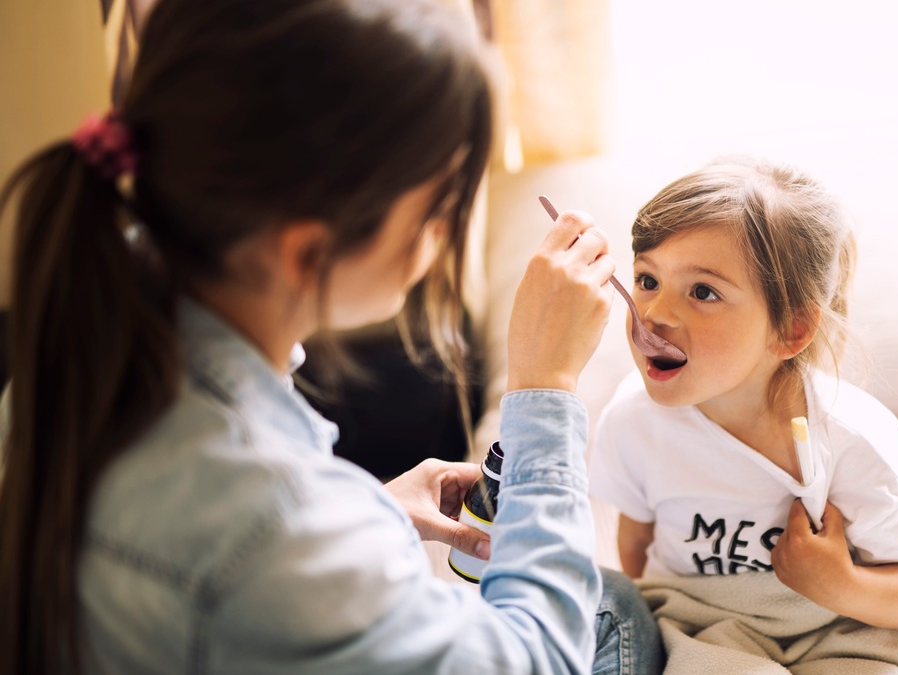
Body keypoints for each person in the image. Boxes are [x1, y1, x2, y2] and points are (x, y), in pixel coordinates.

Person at [0, 0, 663, 673]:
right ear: (307, 252)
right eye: (436, 211)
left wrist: (362, 509)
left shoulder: (93, 322)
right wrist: (545, 387)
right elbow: (544, 659)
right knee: (612, 616)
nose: (442, 238)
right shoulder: (271, 522)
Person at [590, 157, 898, 631]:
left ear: (791, 329)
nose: (654, 314)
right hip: (694, 620)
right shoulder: (631, 421)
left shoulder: (854, 443)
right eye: (648, 280)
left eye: (702, 292)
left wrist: (841, 585)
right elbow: (637, 548)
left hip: (829, 622)